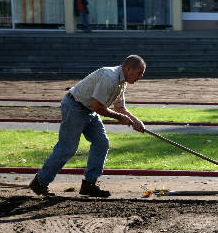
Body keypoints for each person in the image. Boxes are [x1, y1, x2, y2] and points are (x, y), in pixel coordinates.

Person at [29, 55, 147, 198]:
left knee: (101, 143)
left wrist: (136, 121)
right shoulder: (109, 78)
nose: (141, 77)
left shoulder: (122, 82)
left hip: (88, 110)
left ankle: (89, 184)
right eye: (139, 73)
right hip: (75, 107)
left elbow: (120, 108)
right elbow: (99, 107)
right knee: (68, 148)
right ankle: (40, 182)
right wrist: (119, 118)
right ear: (128, 69)